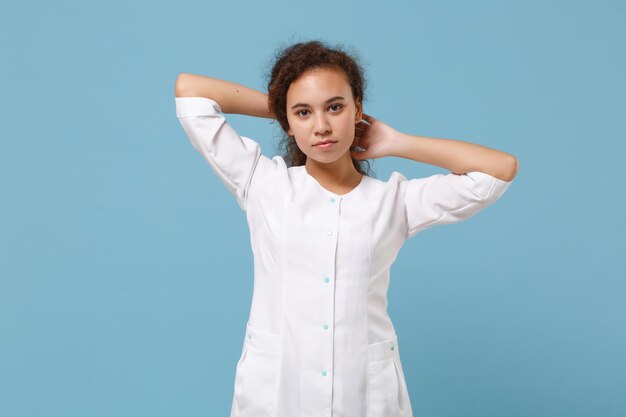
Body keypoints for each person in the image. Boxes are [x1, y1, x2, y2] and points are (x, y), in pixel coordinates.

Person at [174, 39, 518, 417]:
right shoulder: (264, 183)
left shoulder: (394, 201)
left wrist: (397, 142)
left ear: (358, 110)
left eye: (334, 107)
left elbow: (498, 170)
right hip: (277, 390)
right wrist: (284, 110)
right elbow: (191, 91)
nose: (321, 126)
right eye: (304, 113)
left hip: (365, 394)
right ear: (288, 121)